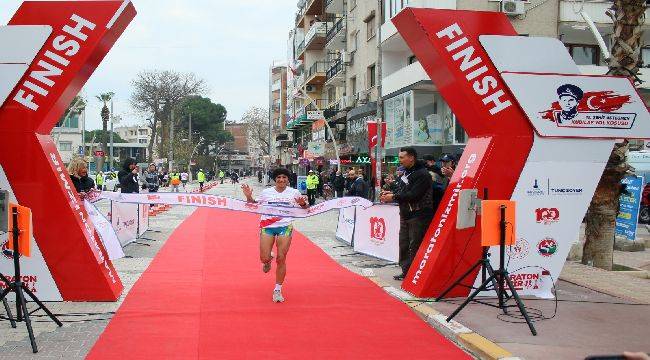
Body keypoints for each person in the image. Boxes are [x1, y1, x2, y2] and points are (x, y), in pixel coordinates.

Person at [241, 168, 309, 303]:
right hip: (267, 226)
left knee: (281, 257)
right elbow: (253, 205)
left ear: (288, 179)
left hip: (285, 226)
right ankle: (267, 261)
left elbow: (305, 208)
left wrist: (302, 203)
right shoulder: (267, 192)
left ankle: (277, 289)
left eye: (284, 177)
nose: (281, 180)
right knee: (264, 257)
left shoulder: (294, 192)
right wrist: (248, 196)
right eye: (279, 177)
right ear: (275, 179)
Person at [380, 147, 434, 281]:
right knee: (403, 244)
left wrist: (393, 197)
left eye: (402, 157)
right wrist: (391, 193)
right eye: (399, 157)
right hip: (405, 214)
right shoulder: (405, 173)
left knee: (415, 245)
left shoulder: (423, 174)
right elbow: (401, 191)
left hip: (419, 215)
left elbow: (414, 195)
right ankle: (406, 271)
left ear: (411, 158)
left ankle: (416, 273)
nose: (400, 160)